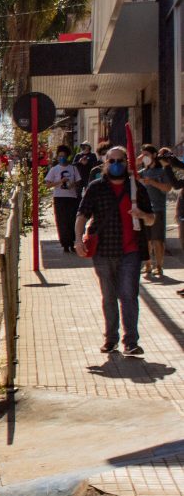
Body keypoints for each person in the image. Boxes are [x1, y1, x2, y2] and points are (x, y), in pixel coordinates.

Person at [75, 146, 155, 356]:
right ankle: (111, 339)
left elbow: (152, 218)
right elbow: (82, 214)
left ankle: (130, 341)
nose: (116, 164)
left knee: (128, 295)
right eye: (112, 161)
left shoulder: (136, 188)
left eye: (121, 161)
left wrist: (141, 214)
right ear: (106, 164)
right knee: (109, 296)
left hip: (131, 252)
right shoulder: (96, 188)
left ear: (127, 163)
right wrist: (78, 239)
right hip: (103, 251)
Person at [137, 145, 173, 277]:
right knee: (146, 239)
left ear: (153, 155)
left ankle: (159, 265)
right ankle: (147, 265)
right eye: (142, 155)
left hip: (158, 209)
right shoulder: (143, 171)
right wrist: (137, 161)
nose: (144, 157)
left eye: (146, 154)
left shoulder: (162, 171)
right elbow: (130, 173)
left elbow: (167, 188)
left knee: (157, 240)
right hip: (144, 211)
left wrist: (152, 182)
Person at [46, 145, 83, 252]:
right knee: (62, 221)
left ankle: (72, 242)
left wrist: (73, 185)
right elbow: (48, 184)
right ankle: (65, 243)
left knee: (71, 220)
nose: (62, 158)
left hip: (71, 197)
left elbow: (78, 181)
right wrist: (60, 182)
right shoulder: (54, 169)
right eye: (60, 156)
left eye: (64, 156)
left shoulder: (73, 168)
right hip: (59, 197)